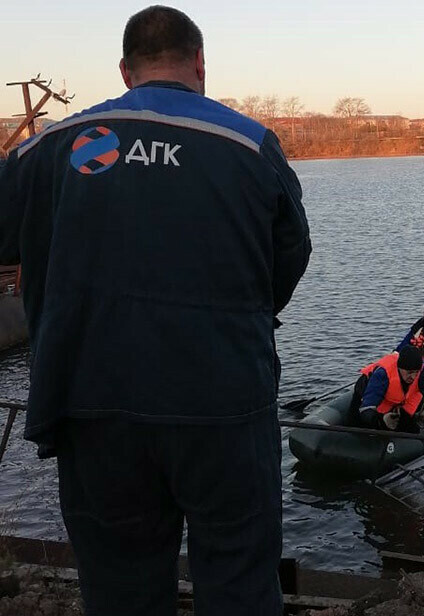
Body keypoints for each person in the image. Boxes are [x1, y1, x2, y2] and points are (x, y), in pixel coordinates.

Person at [0, 6, 311, 616]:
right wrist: (239, 317)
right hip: (224, 403)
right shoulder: (250, 144)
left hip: (93, 406)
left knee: (120, 590)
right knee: (241, 584)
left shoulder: (56, 144)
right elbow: (290, 254)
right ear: (200, 63)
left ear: (124, 71)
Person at [357, 346, 424, 432]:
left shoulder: (423, 370)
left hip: (401, 400)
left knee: (412, 428)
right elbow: (366, 408)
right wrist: (382, 420)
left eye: (416, 372)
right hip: (370, 392)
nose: (413, 377)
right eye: (410, 372)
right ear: (399, 368)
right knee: (363, 423)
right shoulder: (383, 375)